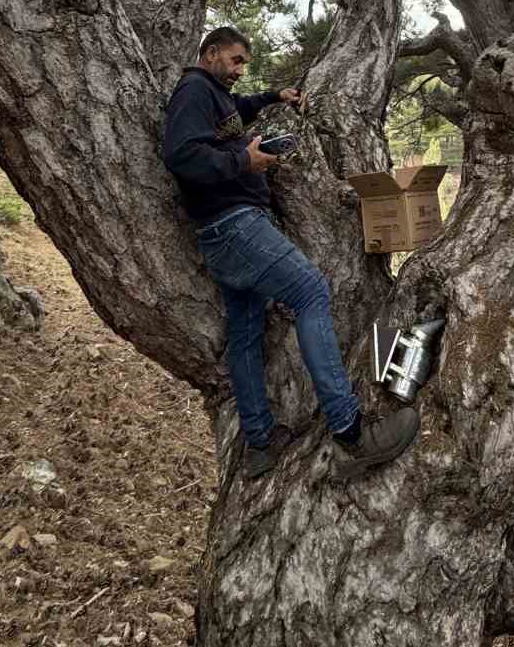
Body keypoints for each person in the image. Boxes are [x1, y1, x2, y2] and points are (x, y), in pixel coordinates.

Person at [163, 26, 419, 481]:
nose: (240, 70)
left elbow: (235, 114)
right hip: (235, 224)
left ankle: (259, 445)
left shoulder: (215, 95)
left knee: (245, 333)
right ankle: (351, 434)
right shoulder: (193, 90)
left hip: (222, 234)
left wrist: (271, 97)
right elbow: (181, 155)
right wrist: (245, 162)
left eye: (245, 64)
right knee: (311, 291)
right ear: (211, 52)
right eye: (236, 60)